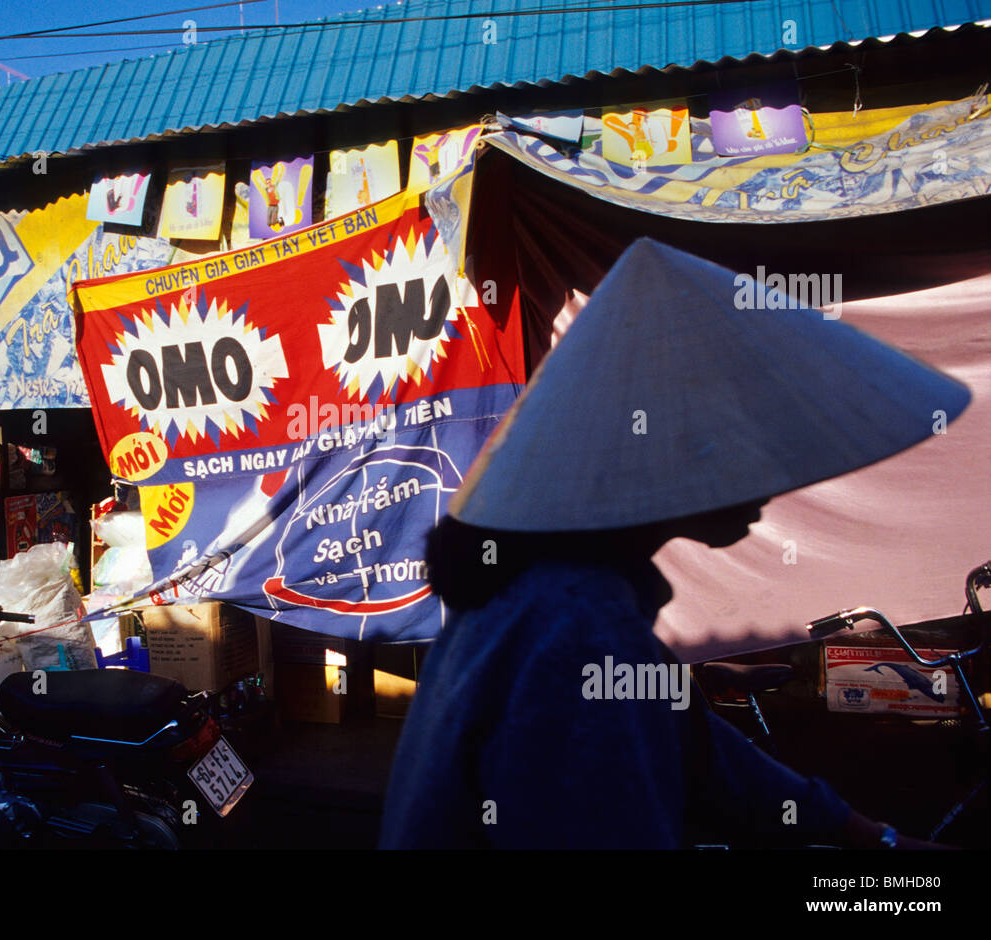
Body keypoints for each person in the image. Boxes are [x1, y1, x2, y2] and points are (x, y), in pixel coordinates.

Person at [379, 238, 970, 849]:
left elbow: (708, 762)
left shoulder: (552, 598)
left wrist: (880, 845)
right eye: (736, 433)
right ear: (663, 453)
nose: (771, 464)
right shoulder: (578, 628)